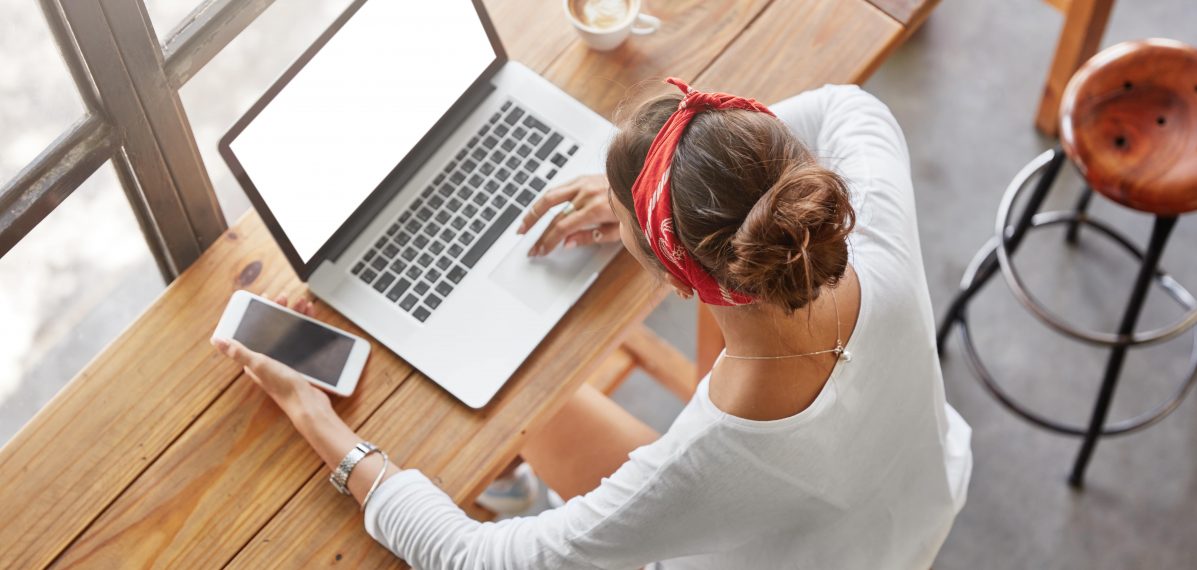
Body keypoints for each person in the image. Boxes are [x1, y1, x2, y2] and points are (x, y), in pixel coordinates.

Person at [212, 79, 972, 569]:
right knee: (521, 406)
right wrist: (683, 197)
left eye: (625, 221)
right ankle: (515, 485)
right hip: (903, 510)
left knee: (497, 415)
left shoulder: (710, 459)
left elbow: (474, 560)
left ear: (677, 272)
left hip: (786, 543)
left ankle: (520, 495)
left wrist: (317, 421)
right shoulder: (875, 242)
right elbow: (852, 107)